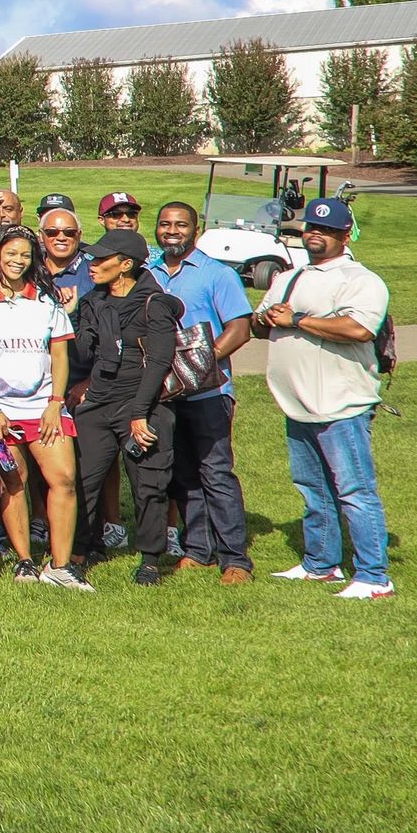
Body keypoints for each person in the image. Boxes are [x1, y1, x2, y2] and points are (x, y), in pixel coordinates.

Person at [253, 196, 395, 599]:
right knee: (312, 489)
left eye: (328, 229)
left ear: (345, 235)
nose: (316, 234)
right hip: (296, 402)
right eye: (311, 228)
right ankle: (321, 564)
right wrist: (263, 320)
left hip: (341, 404)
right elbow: (262, 325)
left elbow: (358, 330)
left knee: (354, 491)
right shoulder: (290, 278)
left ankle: (373, 575)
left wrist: (296, 319)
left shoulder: (360, 280)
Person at [0, 225, 85, 589]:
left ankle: (60, 567)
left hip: (46, 409)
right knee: (14, 483)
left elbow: (60, 356)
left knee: (64, 480)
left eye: (25, 255)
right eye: (11, 253)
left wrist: (55, 404)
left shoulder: (47, 301)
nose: (17, 261)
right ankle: (26, 561)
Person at [150, 201, 256, 584]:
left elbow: (240, 328)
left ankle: (235, 559)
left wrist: (200, 364)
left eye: (180, 225)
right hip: (164, 394)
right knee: (182, 473)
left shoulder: (217, 274)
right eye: (165, 224)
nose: (172, 231)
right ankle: (198, 550)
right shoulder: (151, 273)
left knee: (216, 473)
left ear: (197, 228)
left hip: (209, 392)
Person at [67, 228, 179, 586]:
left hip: (141, 402)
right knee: (83, 480)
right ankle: (82, 549)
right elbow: (83, 354)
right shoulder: (92, 301)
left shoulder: (154, 304)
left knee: (149, 485)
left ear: (125, 265)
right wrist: (70, 315)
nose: (92, 264)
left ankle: (149, 559)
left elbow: (160, 361)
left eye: (101, 260)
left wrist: (138, 414)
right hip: (98, 402)